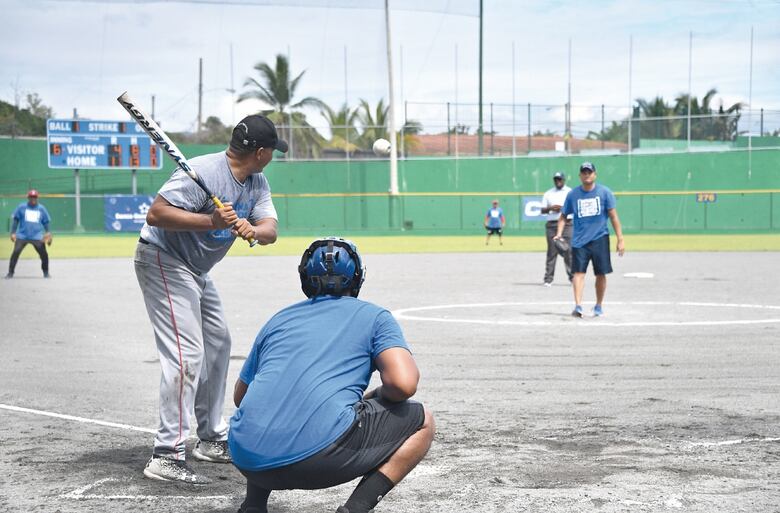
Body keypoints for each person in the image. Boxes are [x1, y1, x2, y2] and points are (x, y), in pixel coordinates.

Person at [229, 237, 435, 513]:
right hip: (320, 462)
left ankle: (253, 506)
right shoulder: (375, 317)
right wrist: (377, 396)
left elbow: (242, 398)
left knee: (271, 407)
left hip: (247, 459)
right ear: (357, 277)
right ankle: (356, 508)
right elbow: (404, 384)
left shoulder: (278, 320)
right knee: (423, 421)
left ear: (305, 277)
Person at [134, 114, 287, 484]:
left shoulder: (256, 181)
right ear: (262, 152)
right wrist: (212, 222)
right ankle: (166, 454)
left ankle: (210, 437)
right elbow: (156, 214)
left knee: (218, 344)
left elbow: (270, 231)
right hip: (163, 260)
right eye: (273, 151)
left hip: (197, 271)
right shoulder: (203, 171)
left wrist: (252, 227)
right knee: (187, 354)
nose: (272, 157)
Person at [554, 162, 625, 318]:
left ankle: (598, 305)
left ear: (595, 174)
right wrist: (559, 234)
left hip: (600, 238)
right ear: (580, 175)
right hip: (579, 241)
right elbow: (563, 217)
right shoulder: (573, 195)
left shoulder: (605, 193)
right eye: (584, 172)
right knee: (578, 273)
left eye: (589, 172)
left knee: (601, 274)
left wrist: (620, 239)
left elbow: (613, 216)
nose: (587, 174)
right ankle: (578, 306)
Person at [6, 189, 52, 279]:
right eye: (31, 197)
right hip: (22, 235)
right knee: (15, 252)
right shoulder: (22, 207)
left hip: (37, 236)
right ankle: (10, 273)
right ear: (28, 197)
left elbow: (46, 222)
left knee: (44, 254)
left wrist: (48, 232)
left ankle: (46, 272)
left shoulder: (41, 208)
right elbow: (16, 220)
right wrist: (13, 233)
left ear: (37, 198)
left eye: (35, 197)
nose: (33, 199)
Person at [540, 172, 572, 286]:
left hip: (567, 224)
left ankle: (572, 277)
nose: (558, 181)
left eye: (560, 179)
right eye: (556, 179)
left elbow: (574, 207)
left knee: (569, 250)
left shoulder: (570, 192)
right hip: (552, 225)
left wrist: (563, 209)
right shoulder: (548, 193)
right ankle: (548, 279)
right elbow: (542, 210)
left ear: (564, 180)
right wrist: (550, 208)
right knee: (552, 252)